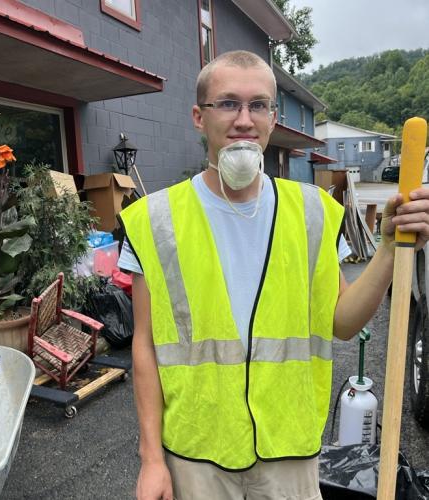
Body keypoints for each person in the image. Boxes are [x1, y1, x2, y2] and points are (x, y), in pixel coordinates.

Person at [117, 50, 429, 500]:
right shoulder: (153, 220)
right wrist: (151, 461)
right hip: (196, 455)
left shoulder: (314, 212)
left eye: (258, 104)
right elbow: (144, 347)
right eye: (227, 103)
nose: (244, 118)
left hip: (289, 453)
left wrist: (385, 250)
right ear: (198, 117)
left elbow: (342, 324)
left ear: (272, 118)